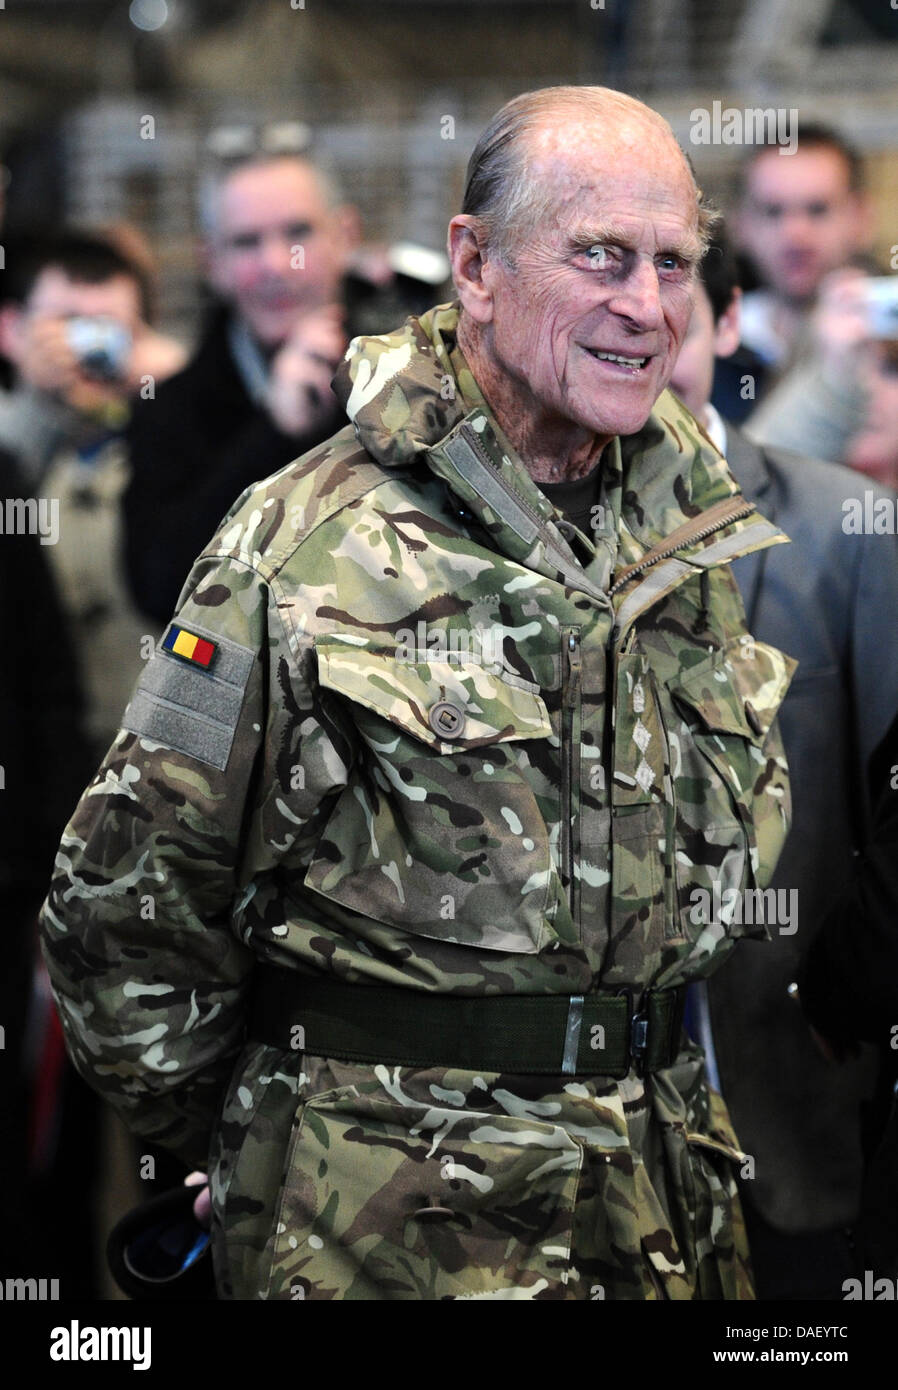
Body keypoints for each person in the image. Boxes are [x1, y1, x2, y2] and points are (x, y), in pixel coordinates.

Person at [40, 85, 796, 1302]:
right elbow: (124, 906)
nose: (646, 306)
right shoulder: (298, 543)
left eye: (671, 263)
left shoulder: (684, 536)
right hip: (387, 1239)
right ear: (474, 264)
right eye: (599, 255)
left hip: (661, 1219)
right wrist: (249, 1136)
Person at [669, 225, 898, 1299]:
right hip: (571, 1148)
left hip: (798, 1105)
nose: (639, 328)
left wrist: (837, 996)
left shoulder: (848, 530)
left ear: (725, 321)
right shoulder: (505, 546)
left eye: (675, 297)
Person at [124, 144, 426, 626]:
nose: (277, 265)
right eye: (246, 242)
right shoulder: (165, 409)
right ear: (211, 260)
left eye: (298, 233)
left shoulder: (415, 378)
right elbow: (160, 592)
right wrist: (274, 432)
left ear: (345, 236)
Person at [0, 230, 184, 756]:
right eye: (68, 324)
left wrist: (176, 394)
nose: (90, 347)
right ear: (11, 329)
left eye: (110, 328)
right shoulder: (14, 438)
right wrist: (40, 402)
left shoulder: (162, 436)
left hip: (146, 749)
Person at [717, 123, 875, 461]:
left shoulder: (887, 345)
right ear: (740, 224)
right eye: (773, 211)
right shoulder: (704, 346)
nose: (795, 234)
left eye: (817, 210)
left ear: (860, 217)